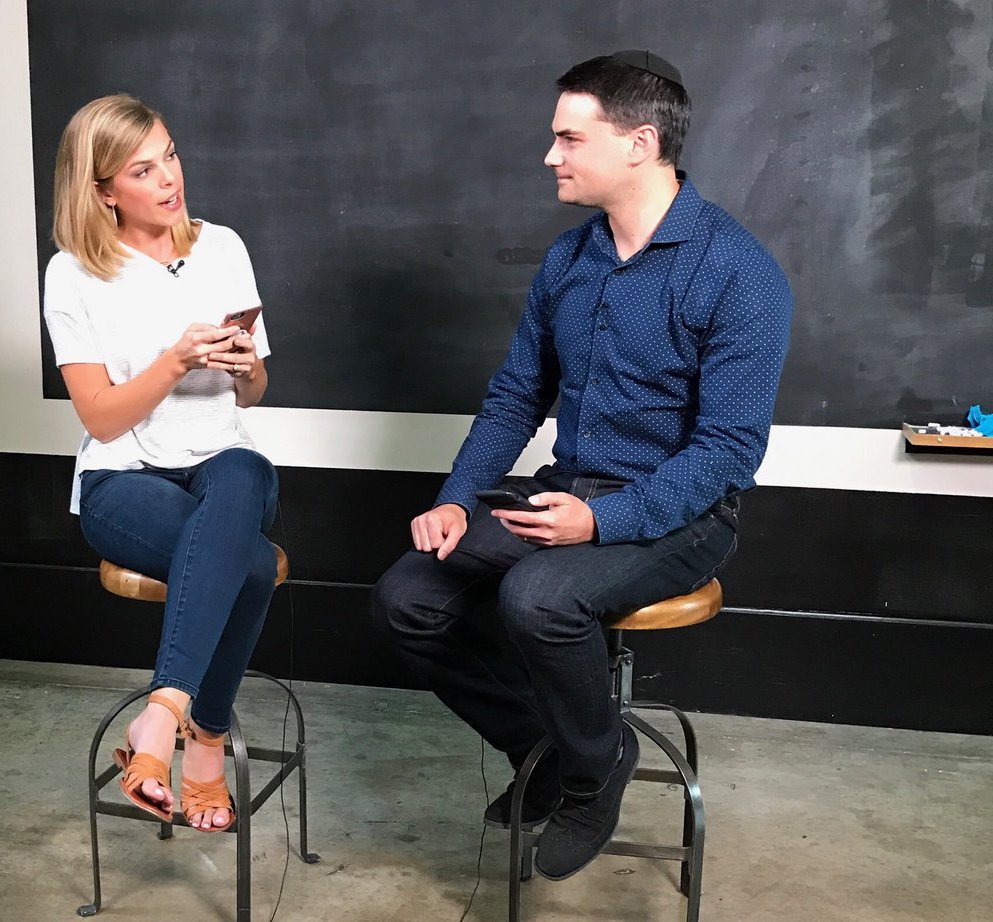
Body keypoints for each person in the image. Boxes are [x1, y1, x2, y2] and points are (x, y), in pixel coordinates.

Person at [372, 51, 792, 881]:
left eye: (569, 138)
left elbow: (729, 451)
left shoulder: (739, 271)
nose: (550, 156)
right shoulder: (569, 259)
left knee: (537, 598)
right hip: (569, 489)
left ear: (640, 143)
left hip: (683, 514)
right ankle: (551, 746)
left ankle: (594, 779)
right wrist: (457, 499)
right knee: (406, 596)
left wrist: (602, 521)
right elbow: (514, 397)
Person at [44, 94, 278, 832]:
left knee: (245, 471)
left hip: (222, 467)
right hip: (124, 479)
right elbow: (101, 417)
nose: (170, 178)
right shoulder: (73, 274)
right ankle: (204, 741)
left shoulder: (225, 247)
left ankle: (160, 716)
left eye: (169, 155)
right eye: (142, 170)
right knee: (248, 564)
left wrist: (245, 366)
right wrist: (174, 362)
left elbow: (255, 392)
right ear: (103, 191)